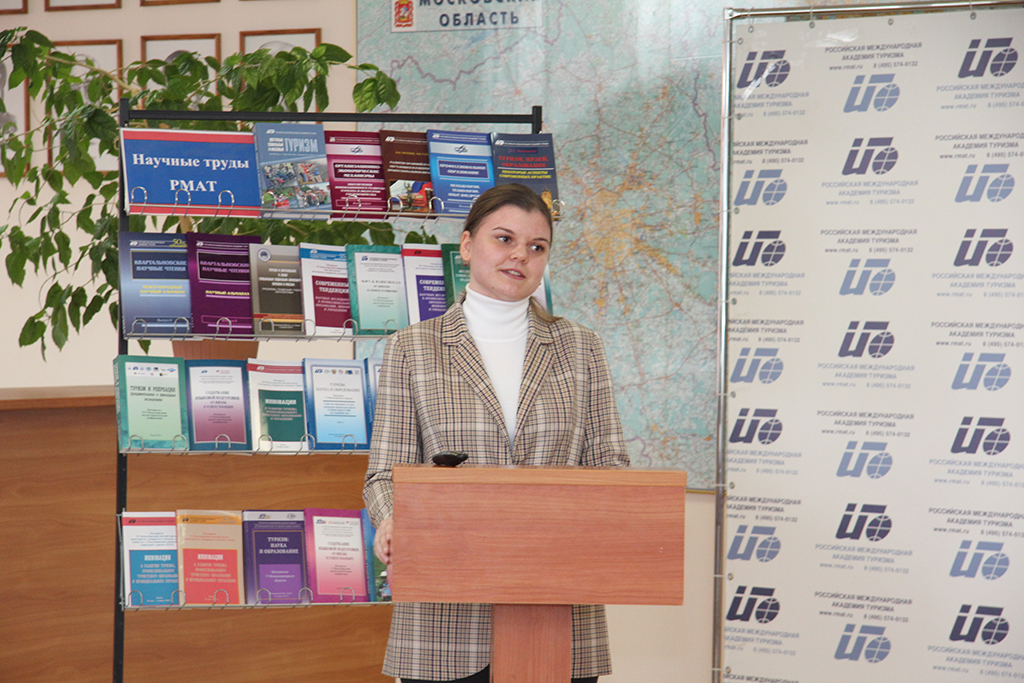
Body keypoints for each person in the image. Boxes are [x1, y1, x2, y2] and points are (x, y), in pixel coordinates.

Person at [363, 183, 630, 683]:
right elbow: (383, 475)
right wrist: (393, 520)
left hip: (557, 610)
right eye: (504, 239)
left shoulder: (581, 347)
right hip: (445, 618)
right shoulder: (412, 348)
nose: (520, 255)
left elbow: (611, 467)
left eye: (536, 246)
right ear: (467, 245)